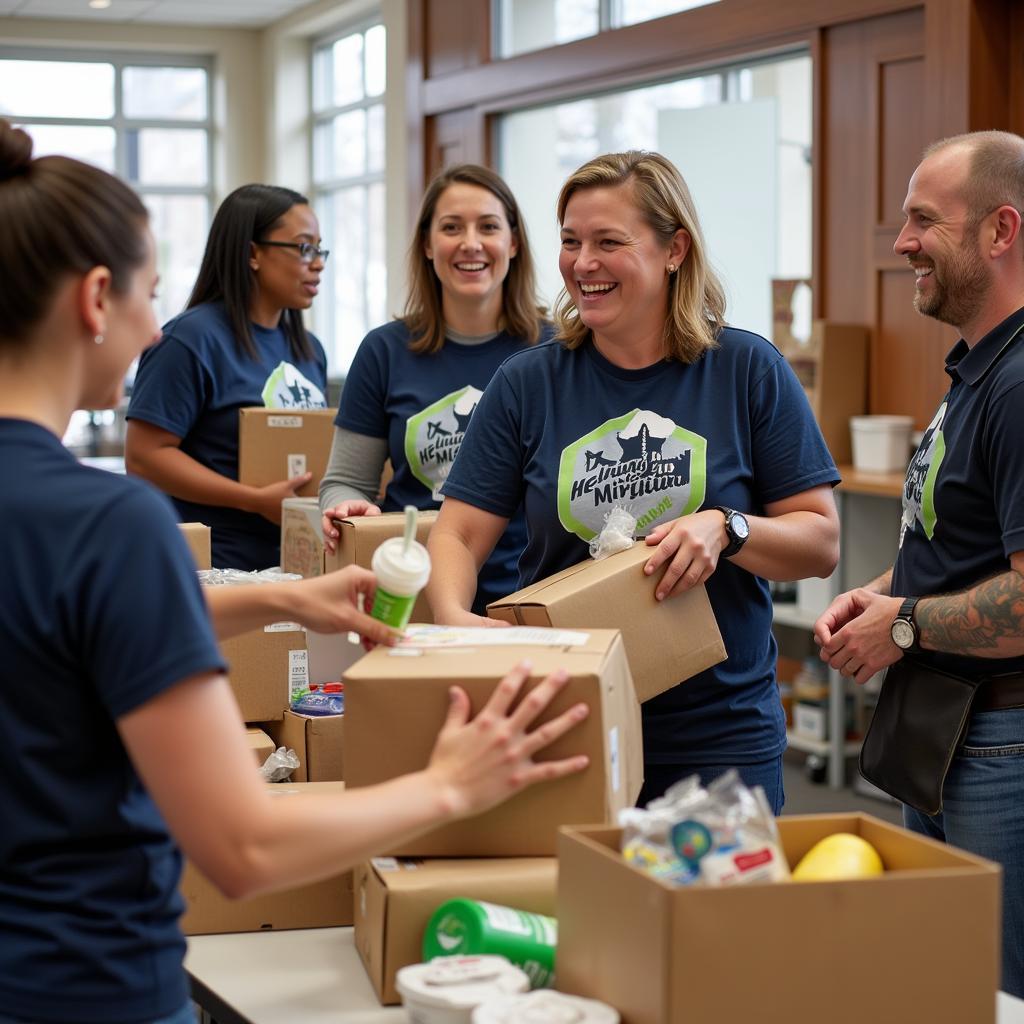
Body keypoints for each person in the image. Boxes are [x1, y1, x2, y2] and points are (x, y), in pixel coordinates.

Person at [0, 120, 590, 1024]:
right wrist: (449, 787)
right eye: (148, 297)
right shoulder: (109, 525)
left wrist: (279, 595)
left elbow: (49, 632)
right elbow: (240, 845)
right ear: (93, 300)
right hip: (80, 981)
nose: (157, 328)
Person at [427, 150, 840, 810]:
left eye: (607, 242)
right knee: (579, 915)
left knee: (710, 917)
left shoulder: (746, 370)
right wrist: (452, 617)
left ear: (674, 248)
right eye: (569, 241)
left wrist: (728, 529)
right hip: (566, 719)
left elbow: (819, 543)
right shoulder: (527, 384)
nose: (582, 263)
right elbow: (459, 533)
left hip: (720, 737)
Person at [813, 130, 1024, 997]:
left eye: (923, 221)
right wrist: (882, 592)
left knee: (994, 990)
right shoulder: (978, 373)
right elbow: (960, 545)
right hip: (947, 734)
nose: (901, 243)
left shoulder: (1020, 386)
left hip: (1000, 744)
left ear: (1000, 231)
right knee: (944, 980)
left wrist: (899, 623)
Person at [319, 164, 547, 614]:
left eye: (488, 227)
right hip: (413, 597)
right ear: (427, 244)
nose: (470, 243)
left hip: (534, 598)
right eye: (451, 228)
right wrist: (347, 508)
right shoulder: (384, 350)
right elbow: (345, 481)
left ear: (513, 243)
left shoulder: (558, 350)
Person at [125, 183, 330, 571]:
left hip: (295, 565)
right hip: (212, 568)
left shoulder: (309, 349)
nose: (317, 262)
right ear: (253, 253)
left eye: (320, 248)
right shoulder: (189, 341)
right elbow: (144, 457)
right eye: (304, 247)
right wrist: (252, 498)